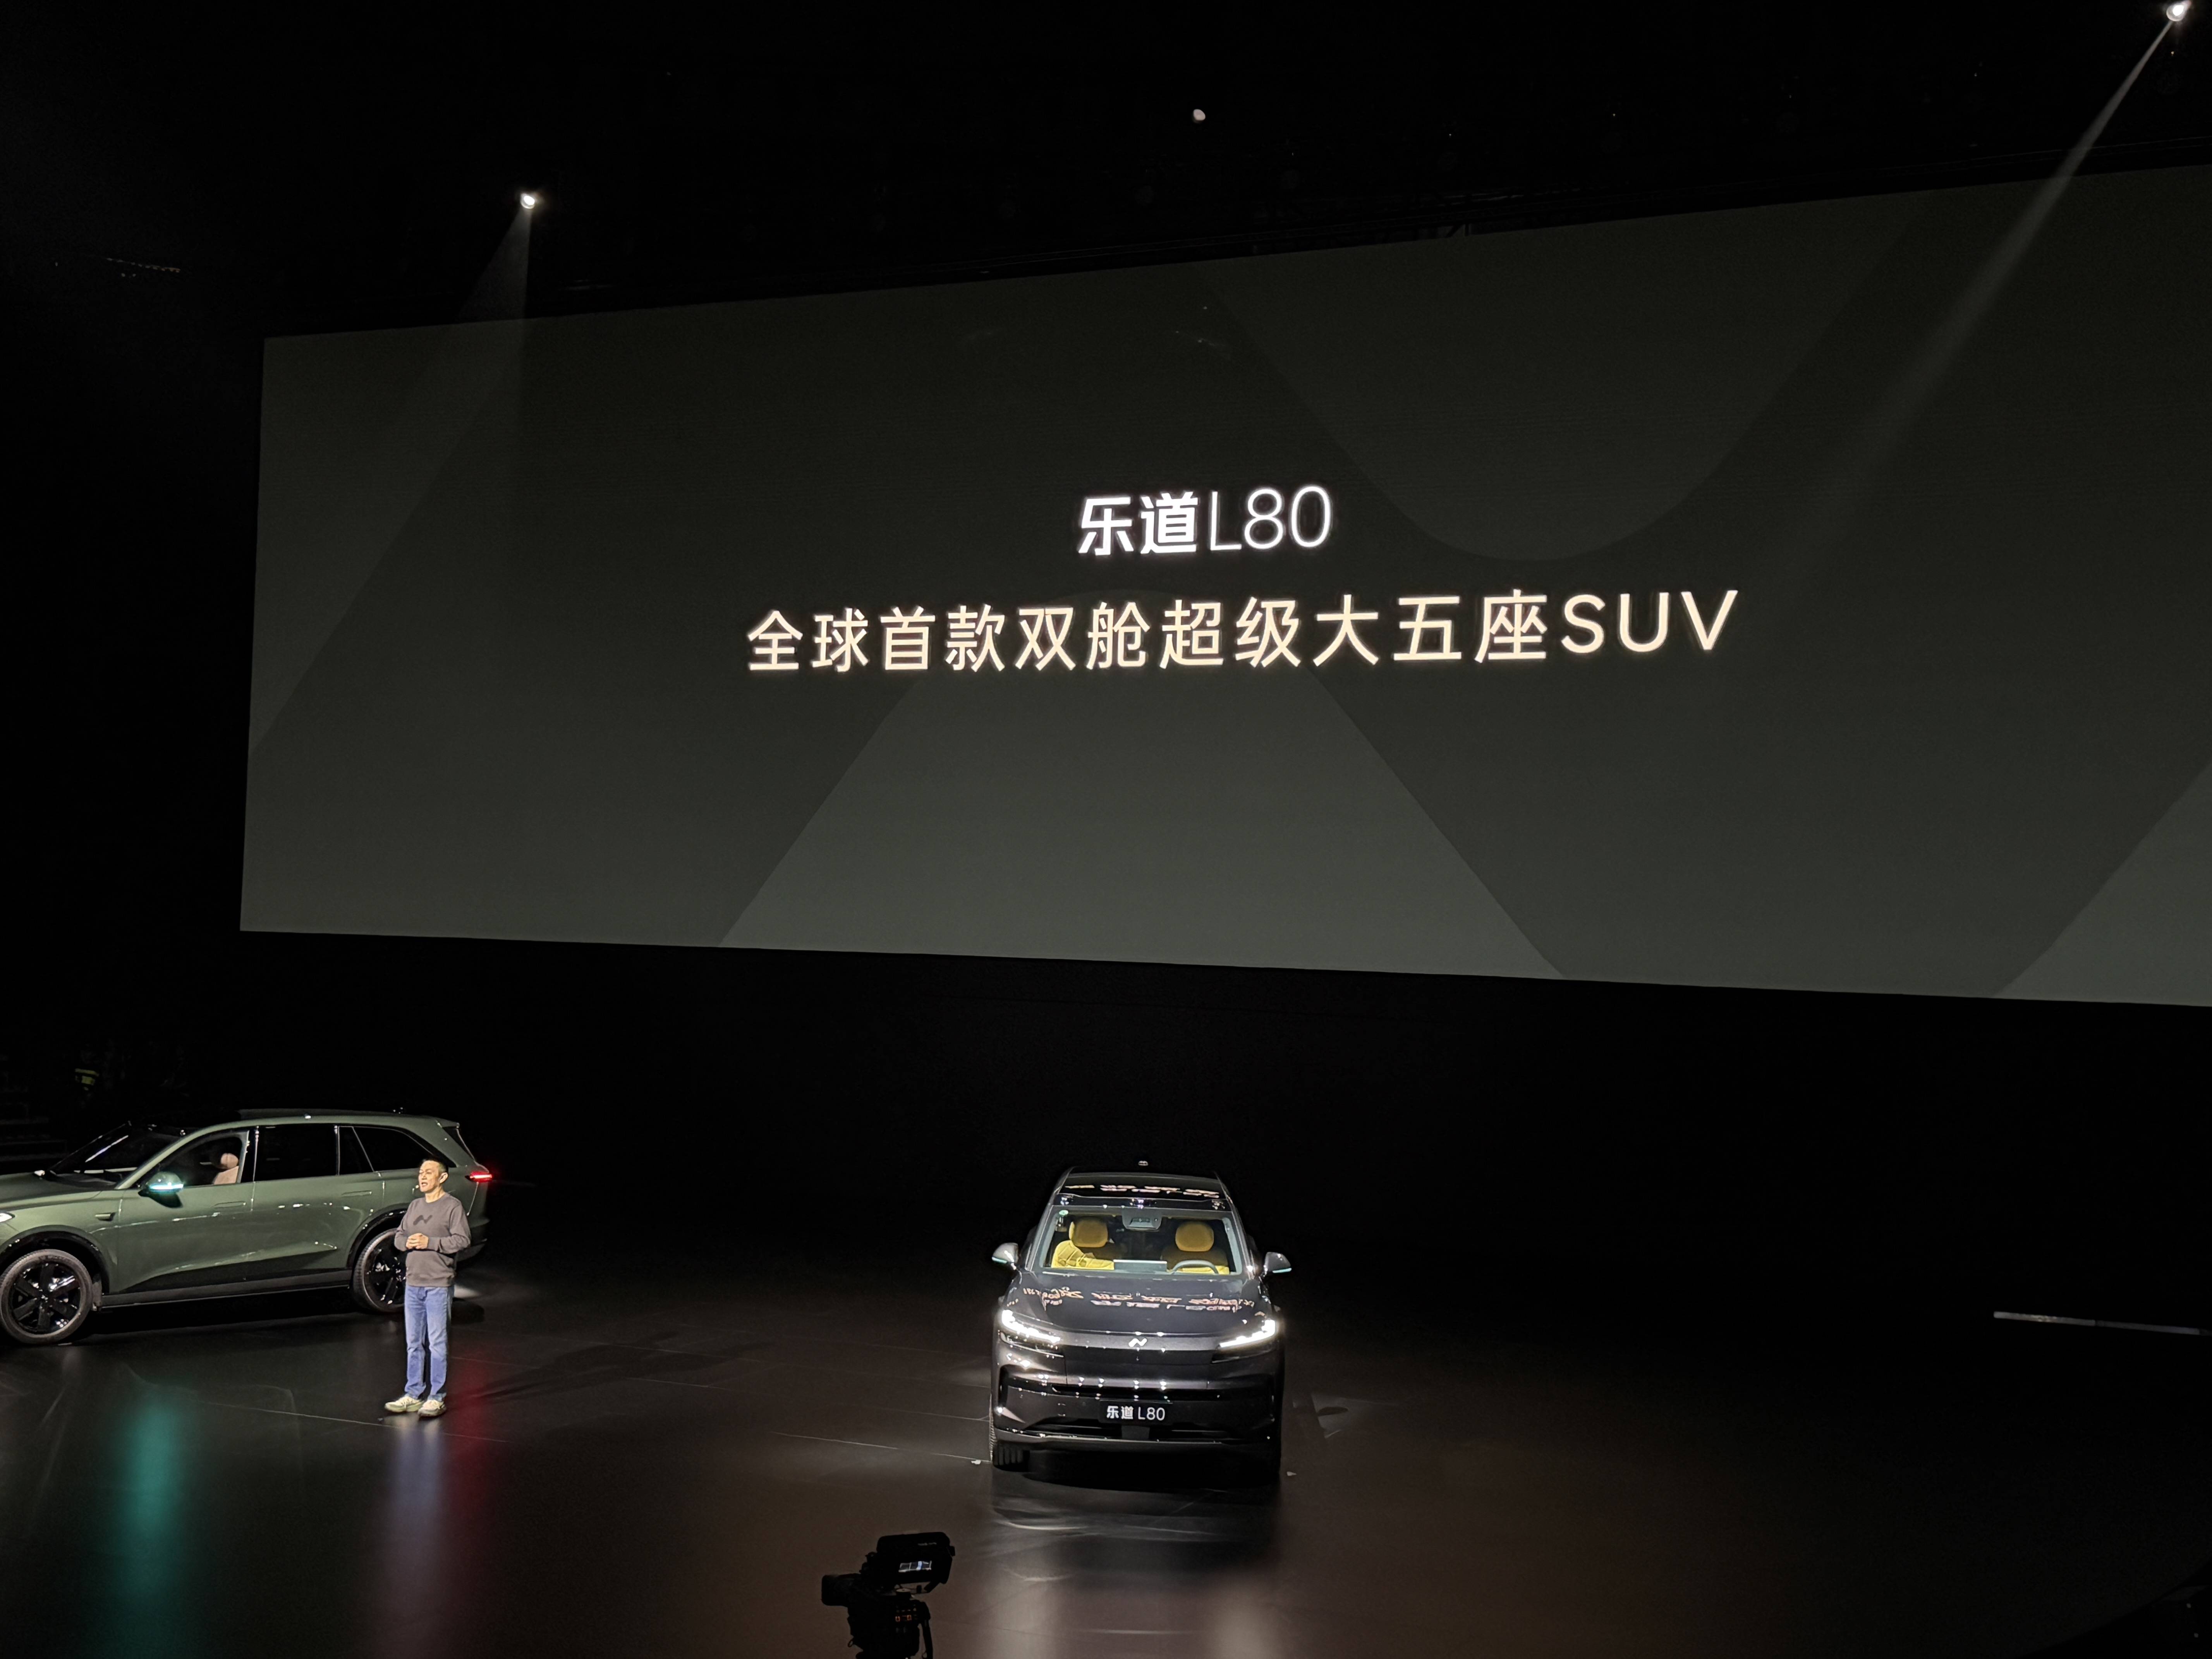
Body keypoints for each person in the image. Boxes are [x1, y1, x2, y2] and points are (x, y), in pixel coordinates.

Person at [384, 1158, 471, 1419]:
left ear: (442, 1178)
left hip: (438, 1285)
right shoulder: (415, 1206)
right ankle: (413, 1393)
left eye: (428, 1173)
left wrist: (430, 1242)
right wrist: (406, 1242)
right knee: (413, 1343)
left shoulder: (452, 1207)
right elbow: (399, 1237)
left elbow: (463, 1240)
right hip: (414, 1284)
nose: (422, 1177)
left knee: (437, 1344)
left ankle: (436, 1397)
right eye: (421, 1172)